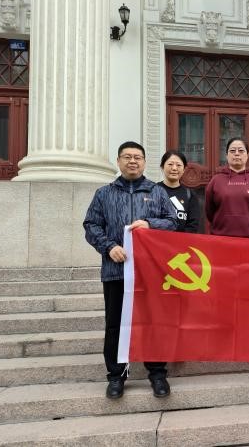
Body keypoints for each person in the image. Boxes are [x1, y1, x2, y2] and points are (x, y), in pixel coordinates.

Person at [83, 141, 178, 399]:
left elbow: (172, 223)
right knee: (115, 325)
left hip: (150, 273)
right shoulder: (104, 193)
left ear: (144, 162)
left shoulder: (157, 192)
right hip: (116, 271)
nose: (132, 161)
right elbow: (91, 225)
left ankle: (157, 374)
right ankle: (116, 376)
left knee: (153, 322)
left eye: (137, 157)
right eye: (127, 157)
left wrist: (150, 224)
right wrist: (109, 247)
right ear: (119, 161)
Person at [205, 137, 249, 239]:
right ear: (226, 155)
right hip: (221, 238)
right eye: (232, 151)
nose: (237, 154)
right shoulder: (216, 180)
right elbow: (209, 211)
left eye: (241, 151)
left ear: (247, 155)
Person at [158, 150, 200, 233]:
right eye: (170, 164)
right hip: (156, 239)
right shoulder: (153, 191)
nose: (174, 168)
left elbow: (193, 225)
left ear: (184, 169)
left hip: (181, 240)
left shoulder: (190, 195)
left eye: (178, 165)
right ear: (162, 167)